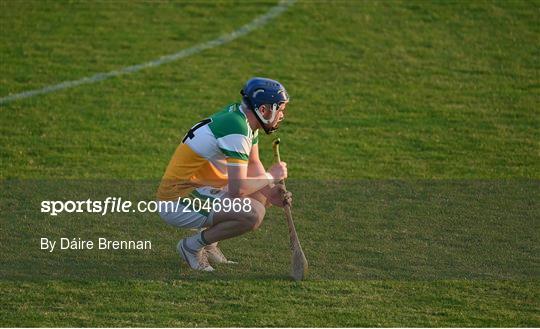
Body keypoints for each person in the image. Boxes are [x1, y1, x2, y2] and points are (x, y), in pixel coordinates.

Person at [156, 77, 292, 272]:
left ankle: (210, 246)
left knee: (260, 195)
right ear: (263, 110)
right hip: (177, 200)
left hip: (196, 190)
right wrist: (271, 176)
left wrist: (270, 192)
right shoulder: (237, 128)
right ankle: (191, 246)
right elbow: (238, 189)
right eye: (279, 109)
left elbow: (253, 163)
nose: (281, 115)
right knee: (254, 213)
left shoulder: (242, 119)